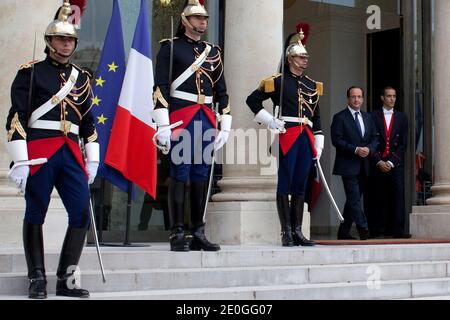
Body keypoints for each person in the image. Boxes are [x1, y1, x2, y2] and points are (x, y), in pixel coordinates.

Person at [5, 1, 98, 299]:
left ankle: (66, 279)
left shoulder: (82, 79)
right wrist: (20, 160)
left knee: (80, 212)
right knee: (36, 212)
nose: (66, 43)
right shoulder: (30, 74)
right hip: (40, 150)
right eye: (60, 38)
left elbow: (88, 124)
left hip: (70, 152)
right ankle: (36, 278)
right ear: (49, 41)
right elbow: (16, 119)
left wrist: (92, 159)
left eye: (70, 39)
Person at [152, 0, 232, 252]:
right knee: (180, 172)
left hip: (206, 117)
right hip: (181, 115)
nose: (203, 22)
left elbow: (222, 91)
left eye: (205, 18)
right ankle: (177, 232)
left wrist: (225, 124)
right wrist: (163, 123)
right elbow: (160, 87)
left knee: (201, 174)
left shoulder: (214, 52)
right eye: (197, 18)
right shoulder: (170, 47)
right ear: (185, 21)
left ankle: (198, 231)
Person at [246, 24, 324, 247]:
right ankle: (286, 231)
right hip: (288, 135)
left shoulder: (312, 85)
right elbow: (252, 100)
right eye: (300, 57)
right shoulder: (278, 81)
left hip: (306, 137)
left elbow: (316, 117)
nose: (304, 60)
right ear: (290, 59)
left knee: (301, 184)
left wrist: (319, 142)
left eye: (306, 57)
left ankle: (298, 230)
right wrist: (270, 120)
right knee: (285, 183)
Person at [331, 86, 378, 240]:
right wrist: (355, 149)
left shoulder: (368, 117)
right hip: (347, 164)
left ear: (362, 99)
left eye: (359, 97)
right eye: (353, 97)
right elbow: (336, 140)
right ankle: (363, 228)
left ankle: (343, 231)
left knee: (353, 199)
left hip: (364, 165)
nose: (356, 99)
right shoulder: (340, 117)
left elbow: (375, 138)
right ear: (348, 99)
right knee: (354, 197)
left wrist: (368, 149)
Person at [369, 87, 410, 238]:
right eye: (389, 96)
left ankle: (398, 230)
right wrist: (379, 161)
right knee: (378, 195)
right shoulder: (373, 116)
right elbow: (370, 140)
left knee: (398, 195)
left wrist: (392, 162)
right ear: (382, 97)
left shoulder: (402, 117)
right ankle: (377, 229)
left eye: (394, 96)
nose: (392, 99)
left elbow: (403, 144)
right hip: (378, 161)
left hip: (395, 163)